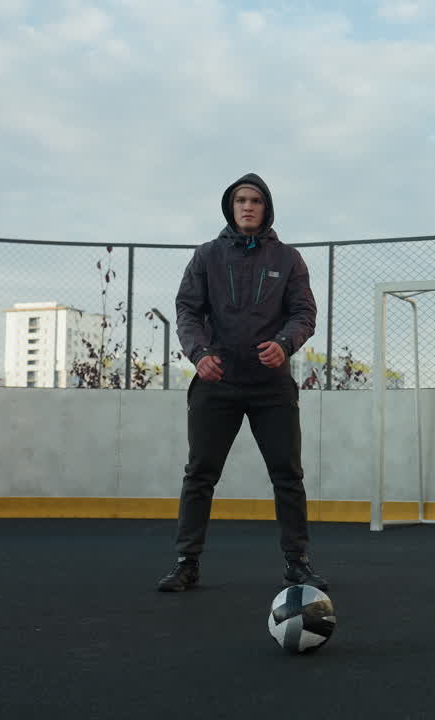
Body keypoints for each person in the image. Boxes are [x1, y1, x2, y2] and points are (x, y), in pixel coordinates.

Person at [157, 173, 329, 593]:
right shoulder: (206, 256)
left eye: (255, 200)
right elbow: (187, 310)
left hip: (271, 385)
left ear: (266, 208)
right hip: (216, 380)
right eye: (240, 200)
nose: (247, 206)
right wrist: (199, 354)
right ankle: (186, 563)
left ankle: (297, 563)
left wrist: (285, 344)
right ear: (230, 207)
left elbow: (304, 313)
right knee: (200, 474)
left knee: (287, 475)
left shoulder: (288, 259)